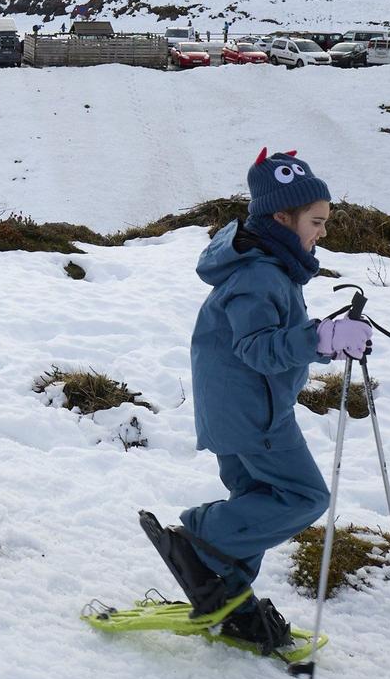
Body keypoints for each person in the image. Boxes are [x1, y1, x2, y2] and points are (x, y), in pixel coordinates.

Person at [140, 149, 368, 652]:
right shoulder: (259, 274)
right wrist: (322, 338)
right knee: (304, 497)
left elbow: (268, 342)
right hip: (255, 417)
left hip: (239, 410)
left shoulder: (267, 265)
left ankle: (227, 598)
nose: (322, 233)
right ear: (282, 218)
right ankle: (199, 536)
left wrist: (325, 339)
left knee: (256, 506)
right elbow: (259, 349)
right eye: (316, 222)